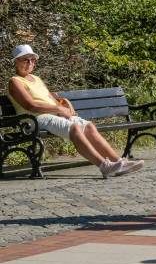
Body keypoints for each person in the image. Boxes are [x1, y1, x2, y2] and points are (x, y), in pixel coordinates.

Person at [7, 45, 144, 178]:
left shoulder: (36, 79)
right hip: (33, 119)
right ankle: (104, 166)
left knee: (88, 126)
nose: (30, 62)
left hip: (50, 115)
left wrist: (63, 105)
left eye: (32, 59)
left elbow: (49, 98)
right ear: (16, 62)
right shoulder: (15, 81)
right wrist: (58, 108)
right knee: (74, 129)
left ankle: (119, 162)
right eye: (25, 59)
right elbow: (31, 105)